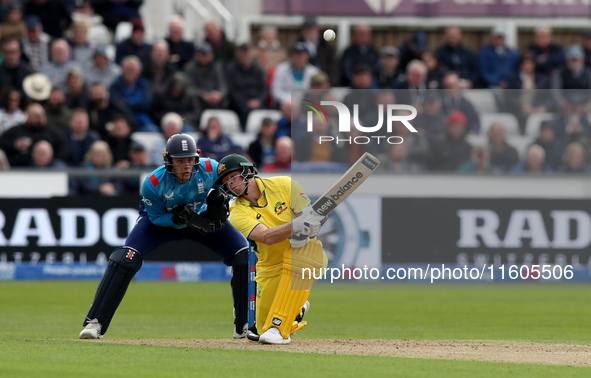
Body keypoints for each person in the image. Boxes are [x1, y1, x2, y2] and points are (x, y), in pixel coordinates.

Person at [78, 133, 251, 340]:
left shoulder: (210, 168)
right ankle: (95, 322)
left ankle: (244, 323)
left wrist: (223, 199)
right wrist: (179, 220)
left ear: (198, 157)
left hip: (201, 219)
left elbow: (233, 186)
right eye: (179, 161)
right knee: (125, 259)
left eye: (189, 160)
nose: (186, 166)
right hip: (161, 222)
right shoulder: (153, 182)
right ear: (168, 160)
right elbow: (156, 217)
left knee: (243, 255)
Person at [215, 153, 327, 344]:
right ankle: (296, 310)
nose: (231, 184)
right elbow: (266, 237)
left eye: (233, 177)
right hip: (270, 266)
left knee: (273, 330)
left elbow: (312, 220)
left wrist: (312, 225)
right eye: (226, 182)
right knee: (260, 332)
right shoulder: (237, 213)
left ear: (247, 171)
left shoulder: (285, 184)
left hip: (306, 255)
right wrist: (298, 224)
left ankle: (280, 325)